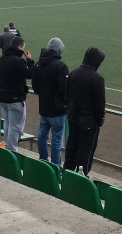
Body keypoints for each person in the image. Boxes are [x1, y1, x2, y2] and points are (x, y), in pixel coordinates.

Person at [64, 47, 106, 175]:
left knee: (72, 147)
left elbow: (66, 96)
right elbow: (99, 104)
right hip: (88, 121)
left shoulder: (73, 73)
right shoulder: (97, 79)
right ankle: (81, 177)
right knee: (86, 151)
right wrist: (99, 121)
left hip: (72, 117)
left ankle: (67, 173)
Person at [32, 37, 69, 165]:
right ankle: (56, 166)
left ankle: (42, 160)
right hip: (57, 110)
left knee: (42, 136)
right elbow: (63, 89)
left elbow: (35, 86)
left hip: (44, 107)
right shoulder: (61, 66)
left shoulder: (38, 64)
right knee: (57, 139)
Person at [0, 36, 34, 152]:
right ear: (19, 47)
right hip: (15, 97)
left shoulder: (3, 57)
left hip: (3, 96)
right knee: (15, 126)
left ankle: (9, 147)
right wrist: (29, 60)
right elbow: (30, 73)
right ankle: (12, 150)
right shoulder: (17, 61)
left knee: (8, 124)